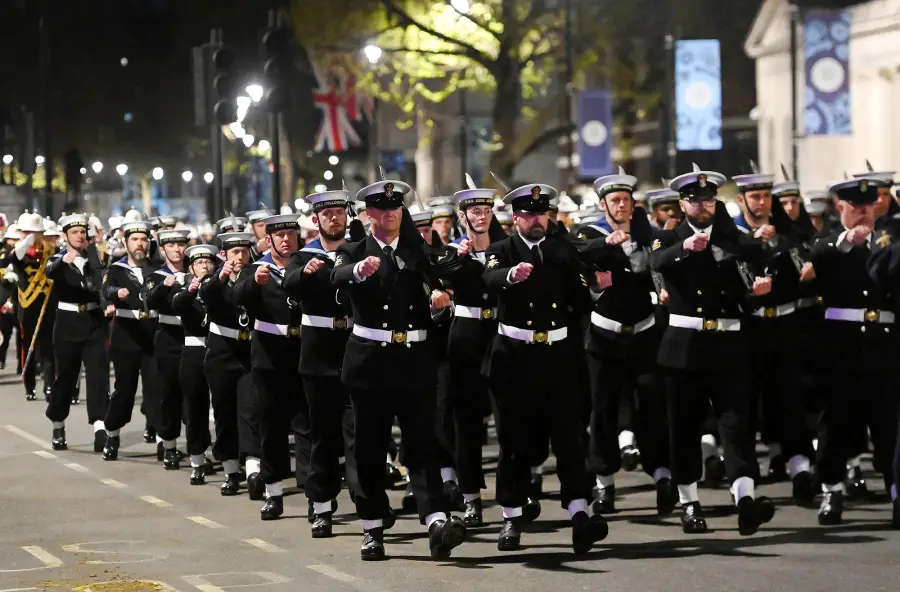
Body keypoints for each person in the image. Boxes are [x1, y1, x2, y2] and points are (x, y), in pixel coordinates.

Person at [331, 177, 466, 561]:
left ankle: (437, 521)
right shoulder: (353, 250)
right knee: (370, 449)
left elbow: (436, 301)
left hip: (414, 362)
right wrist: (359, 272)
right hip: (370, 363)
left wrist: (440, 308)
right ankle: (373, 527)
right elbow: (336, 278)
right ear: (369, 213)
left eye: (396, 208)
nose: (391, 214)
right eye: (383, 208)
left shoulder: (420, 252)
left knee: (423, 444)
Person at [481, 181, 609, 554]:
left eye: (542, 213)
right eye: (528, 213)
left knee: (570, 438)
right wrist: (508, 276)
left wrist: (598, 289)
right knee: (514, 443)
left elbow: (580, 295)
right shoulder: (500, 249)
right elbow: (487, 279)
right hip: (515, 358)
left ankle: (580, 515)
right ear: (514, 217)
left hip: (558, 356)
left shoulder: (562, 250)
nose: (536, 220)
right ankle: (510, 517)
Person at [649, 165, 776, 536]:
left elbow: (758, 271)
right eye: (694, 200)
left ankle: (745, 499)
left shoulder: (736, 239)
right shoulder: (667, 238)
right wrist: (684, 249)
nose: (702, 206)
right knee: (684, 428)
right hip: (684, 348)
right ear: (682, 204)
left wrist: (762, 288)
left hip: (728, 344)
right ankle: (689, 502)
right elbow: (655, 261)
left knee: (736, 425)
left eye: (707, 200)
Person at [579, 171, 676, 516]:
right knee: (603, 410)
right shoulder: (590, 235)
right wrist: (602, 258)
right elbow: (578, 258)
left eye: (626, 200)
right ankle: (604, 481)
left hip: (645, 333)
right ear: (603, 204)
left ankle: (663, 475)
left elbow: (661, 261)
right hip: (605, 336)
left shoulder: (648, 234)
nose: (621, 205)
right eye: (615, 200)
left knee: (652, 404)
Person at [809, 176, 898, 526]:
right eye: (854, 208)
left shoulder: (890, 242)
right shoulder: (827, 243)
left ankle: (895, 492)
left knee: (888, 427)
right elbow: (812, 259)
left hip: (883, 346)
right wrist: (845, 241)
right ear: (840, 208)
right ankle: (832, 490)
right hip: (841, 348)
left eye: (868, 206)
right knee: (837, 425)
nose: (862, 213)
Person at [731, 170, 816, 504]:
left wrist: (778, 241)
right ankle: (745, 481)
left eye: (766, 196)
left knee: (790, 401)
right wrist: (754, 244)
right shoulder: (733, 235)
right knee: (745, 405)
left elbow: (806, 269)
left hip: (785, 326)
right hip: (749, 329)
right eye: (755, 197)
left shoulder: (788, 233)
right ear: (742, 200)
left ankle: (801, 469)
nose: (762, 202)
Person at [284, 189, 359, 537]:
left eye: (339, 213)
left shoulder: (357, 251)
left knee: (358, 433)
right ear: (316, 220)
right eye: (327, 214)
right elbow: (290, 283)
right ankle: (323, 506)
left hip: (354, 349)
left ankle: (366, 501)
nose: (334, 218)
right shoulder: (302, 256)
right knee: (323, 436)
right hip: (317, 356)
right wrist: (307, 272)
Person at [233, 213, 309, 520]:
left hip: (303, 349)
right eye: (280, 235)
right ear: (269, 240)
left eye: (291, 234)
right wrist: (253, 283)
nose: (286, 240)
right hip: (268, 354)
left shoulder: (307, 263)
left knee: (306, 423)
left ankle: (312, 492)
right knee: (273, 425)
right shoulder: (255, 268)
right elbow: (237, 294)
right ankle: (273, 490)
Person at [442, 183, 506, 526]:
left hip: (500, 334)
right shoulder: (452, 251)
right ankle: (470, 497)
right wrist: (459, 258)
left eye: (486, 211)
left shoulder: (503, 249)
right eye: (474, 212)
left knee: (508, 417)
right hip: (466, 336)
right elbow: (439, 278)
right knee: (466, 423)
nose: (481, 217)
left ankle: (515, 492)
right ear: (462, 216)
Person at [200, 232, 261, 498]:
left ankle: (253, 467)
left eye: (244, 252)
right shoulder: (213, 279)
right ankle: (229, 469)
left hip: (248, 351)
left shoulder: (255, 276)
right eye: (234, 253)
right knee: (224, 412)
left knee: (250, 410)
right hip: (222, 351)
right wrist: (222, 275)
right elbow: (206, 293)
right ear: (223, 255)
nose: (239, 257)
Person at [44, 214, 110, 453]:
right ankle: (58, 424)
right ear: (65, 236)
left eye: (83, 232)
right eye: (75, 232)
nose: (80, 236)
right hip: (68, 324)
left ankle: (100, 428)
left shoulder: (96, 258)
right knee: (66, 379)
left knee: (98, 376)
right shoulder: (58, 259)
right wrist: (65, 261)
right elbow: (49, 272)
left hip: (94, 323)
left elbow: (103, 283)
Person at [101, 221, 161, 461]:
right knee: (124, 390)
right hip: (126, 335)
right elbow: (106, 289)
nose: (140, 244)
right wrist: (117, 294)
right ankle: (112, 434)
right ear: (125, 243)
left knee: (156, 389)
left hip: (153, 334)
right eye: (135, 239)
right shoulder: (116, 269)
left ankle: (164, 442)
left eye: (144, 239)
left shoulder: (157, 268)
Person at [170, 244, 218, 485]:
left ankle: (232, 458)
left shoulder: (219, 287)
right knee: (195, 409)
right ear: (191, 268)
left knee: (224, 407)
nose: (205, 266)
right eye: (199, 263)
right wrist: (191, 288)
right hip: (193, 351)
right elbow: (177, 304)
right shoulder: (185, 289)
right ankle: (197, 461)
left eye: (208, 262)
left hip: (219, 349)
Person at [146, 229, 191, 469]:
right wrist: (165, 286)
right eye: (171, 246)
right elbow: (151, 300)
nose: (176, 249)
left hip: (193, 336)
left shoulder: (196, 271)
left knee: (194, 395)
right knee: (170, 393)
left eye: (181, 245)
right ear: (163, 250)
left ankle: (197, 449)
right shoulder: (156, 275)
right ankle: (169, 444)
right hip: (169, 336)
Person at [6, 212, 57, 401]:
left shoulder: (50, 250)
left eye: (37, 232)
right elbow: (15, 256)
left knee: (48, 347)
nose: (35, 236)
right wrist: (27, 239)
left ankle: (49, 385)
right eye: (29, 232)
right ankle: (30, 384)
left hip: (47, 303)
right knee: (28, 346)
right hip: (26, 305)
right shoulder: (18, 251)